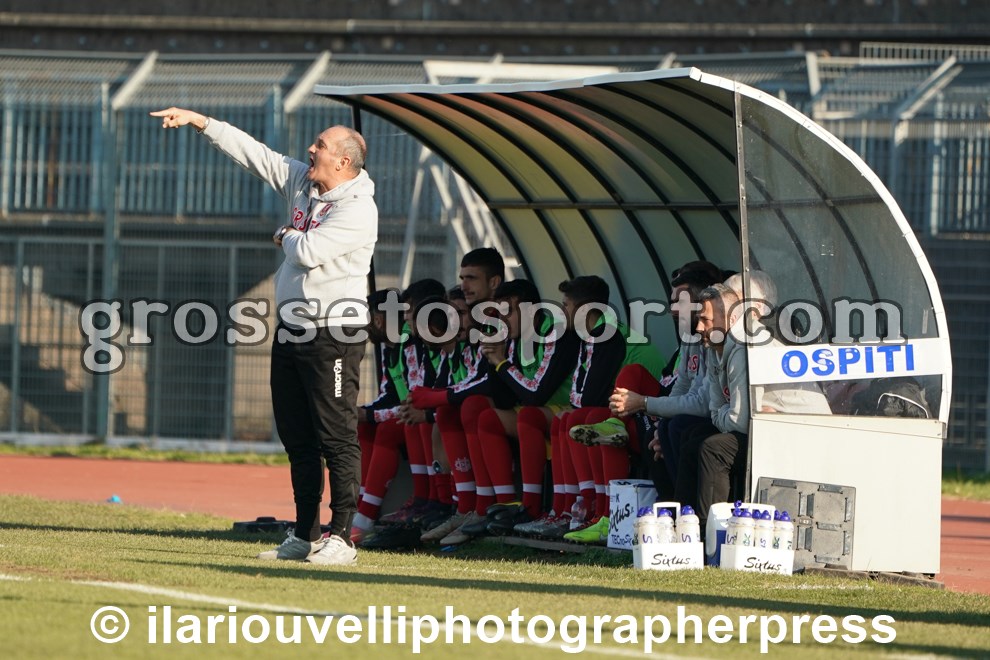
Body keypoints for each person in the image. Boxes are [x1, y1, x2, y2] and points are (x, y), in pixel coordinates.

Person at [151, 108, 377, 565]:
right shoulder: (303, 182)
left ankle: (342, 537)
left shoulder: (358, 208)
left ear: (343, 162)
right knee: (297, 437)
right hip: (292, 329)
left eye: (320, 145)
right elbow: (254, 154)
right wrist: (200, 121)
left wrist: (284, 234)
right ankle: (305, 534)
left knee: (336, 436)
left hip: (334, 333)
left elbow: (309, 251)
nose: (310, 149)